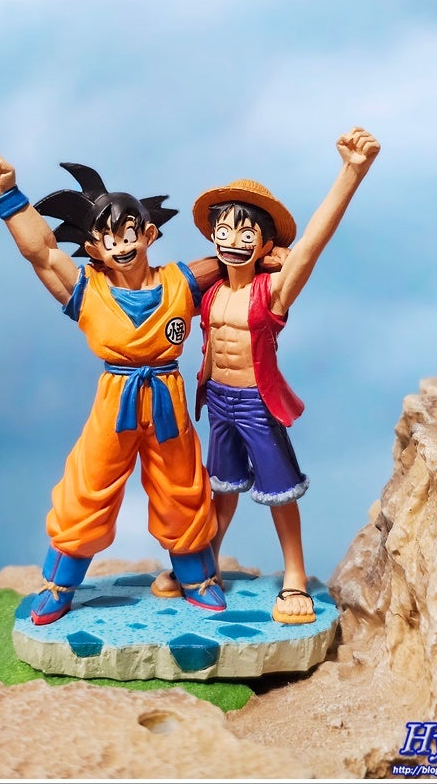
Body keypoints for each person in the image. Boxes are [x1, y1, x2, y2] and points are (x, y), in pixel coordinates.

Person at [0, 131, 227, 625]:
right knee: (89, 485)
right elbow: (43, 252)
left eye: (130, 233)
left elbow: (232, 261)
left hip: (168, 397)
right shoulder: (88, 288)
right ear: (94, 247)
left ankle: (196, 574)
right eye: (109, 239)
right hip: (116, 399)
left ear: (149, 234)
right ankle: (59, 582)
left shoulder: (181, 280)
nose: (122, 245)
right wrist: (7, 196)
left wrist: (269, 254)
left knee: (182, 484)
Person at [152, 127, 380, 624]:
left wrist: (351, 172)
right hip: (218, 401)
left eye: (246, 234)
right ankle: (205, 565)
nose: (233, 242)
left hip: (258, 403)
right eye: (224, 231)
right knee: (222, 488)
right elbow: (155, 294)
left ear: (265, 243)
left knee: (280, 492)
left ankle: (294, 575)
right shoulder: (208, 290)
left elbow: (312, 244)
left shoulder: (272, 291)